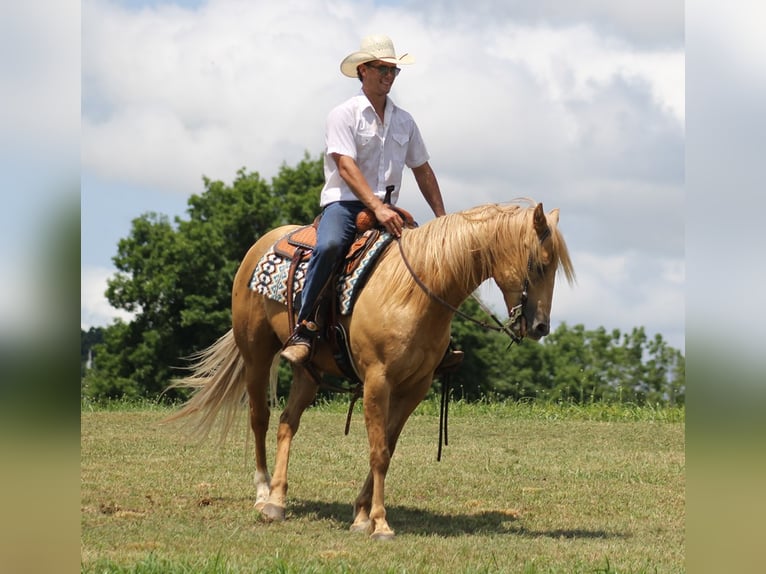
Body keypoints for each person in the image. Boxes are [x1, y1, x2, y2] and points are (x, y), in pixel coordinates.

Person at [281, 34, 448, 365]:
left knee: (430, 260)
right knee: (329, 246)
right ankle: (304, 327)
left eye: (393, 71)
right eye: (382, 69)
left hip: (389, 209)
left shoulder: (405, 121)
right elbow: (345, 166)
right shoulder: (344, 114)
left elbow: (423, 170)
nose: (389, 77)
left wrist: (442, 219)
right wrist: (376, 208)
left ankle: (434, 342)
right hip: (345, 205)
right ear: (363, 71)